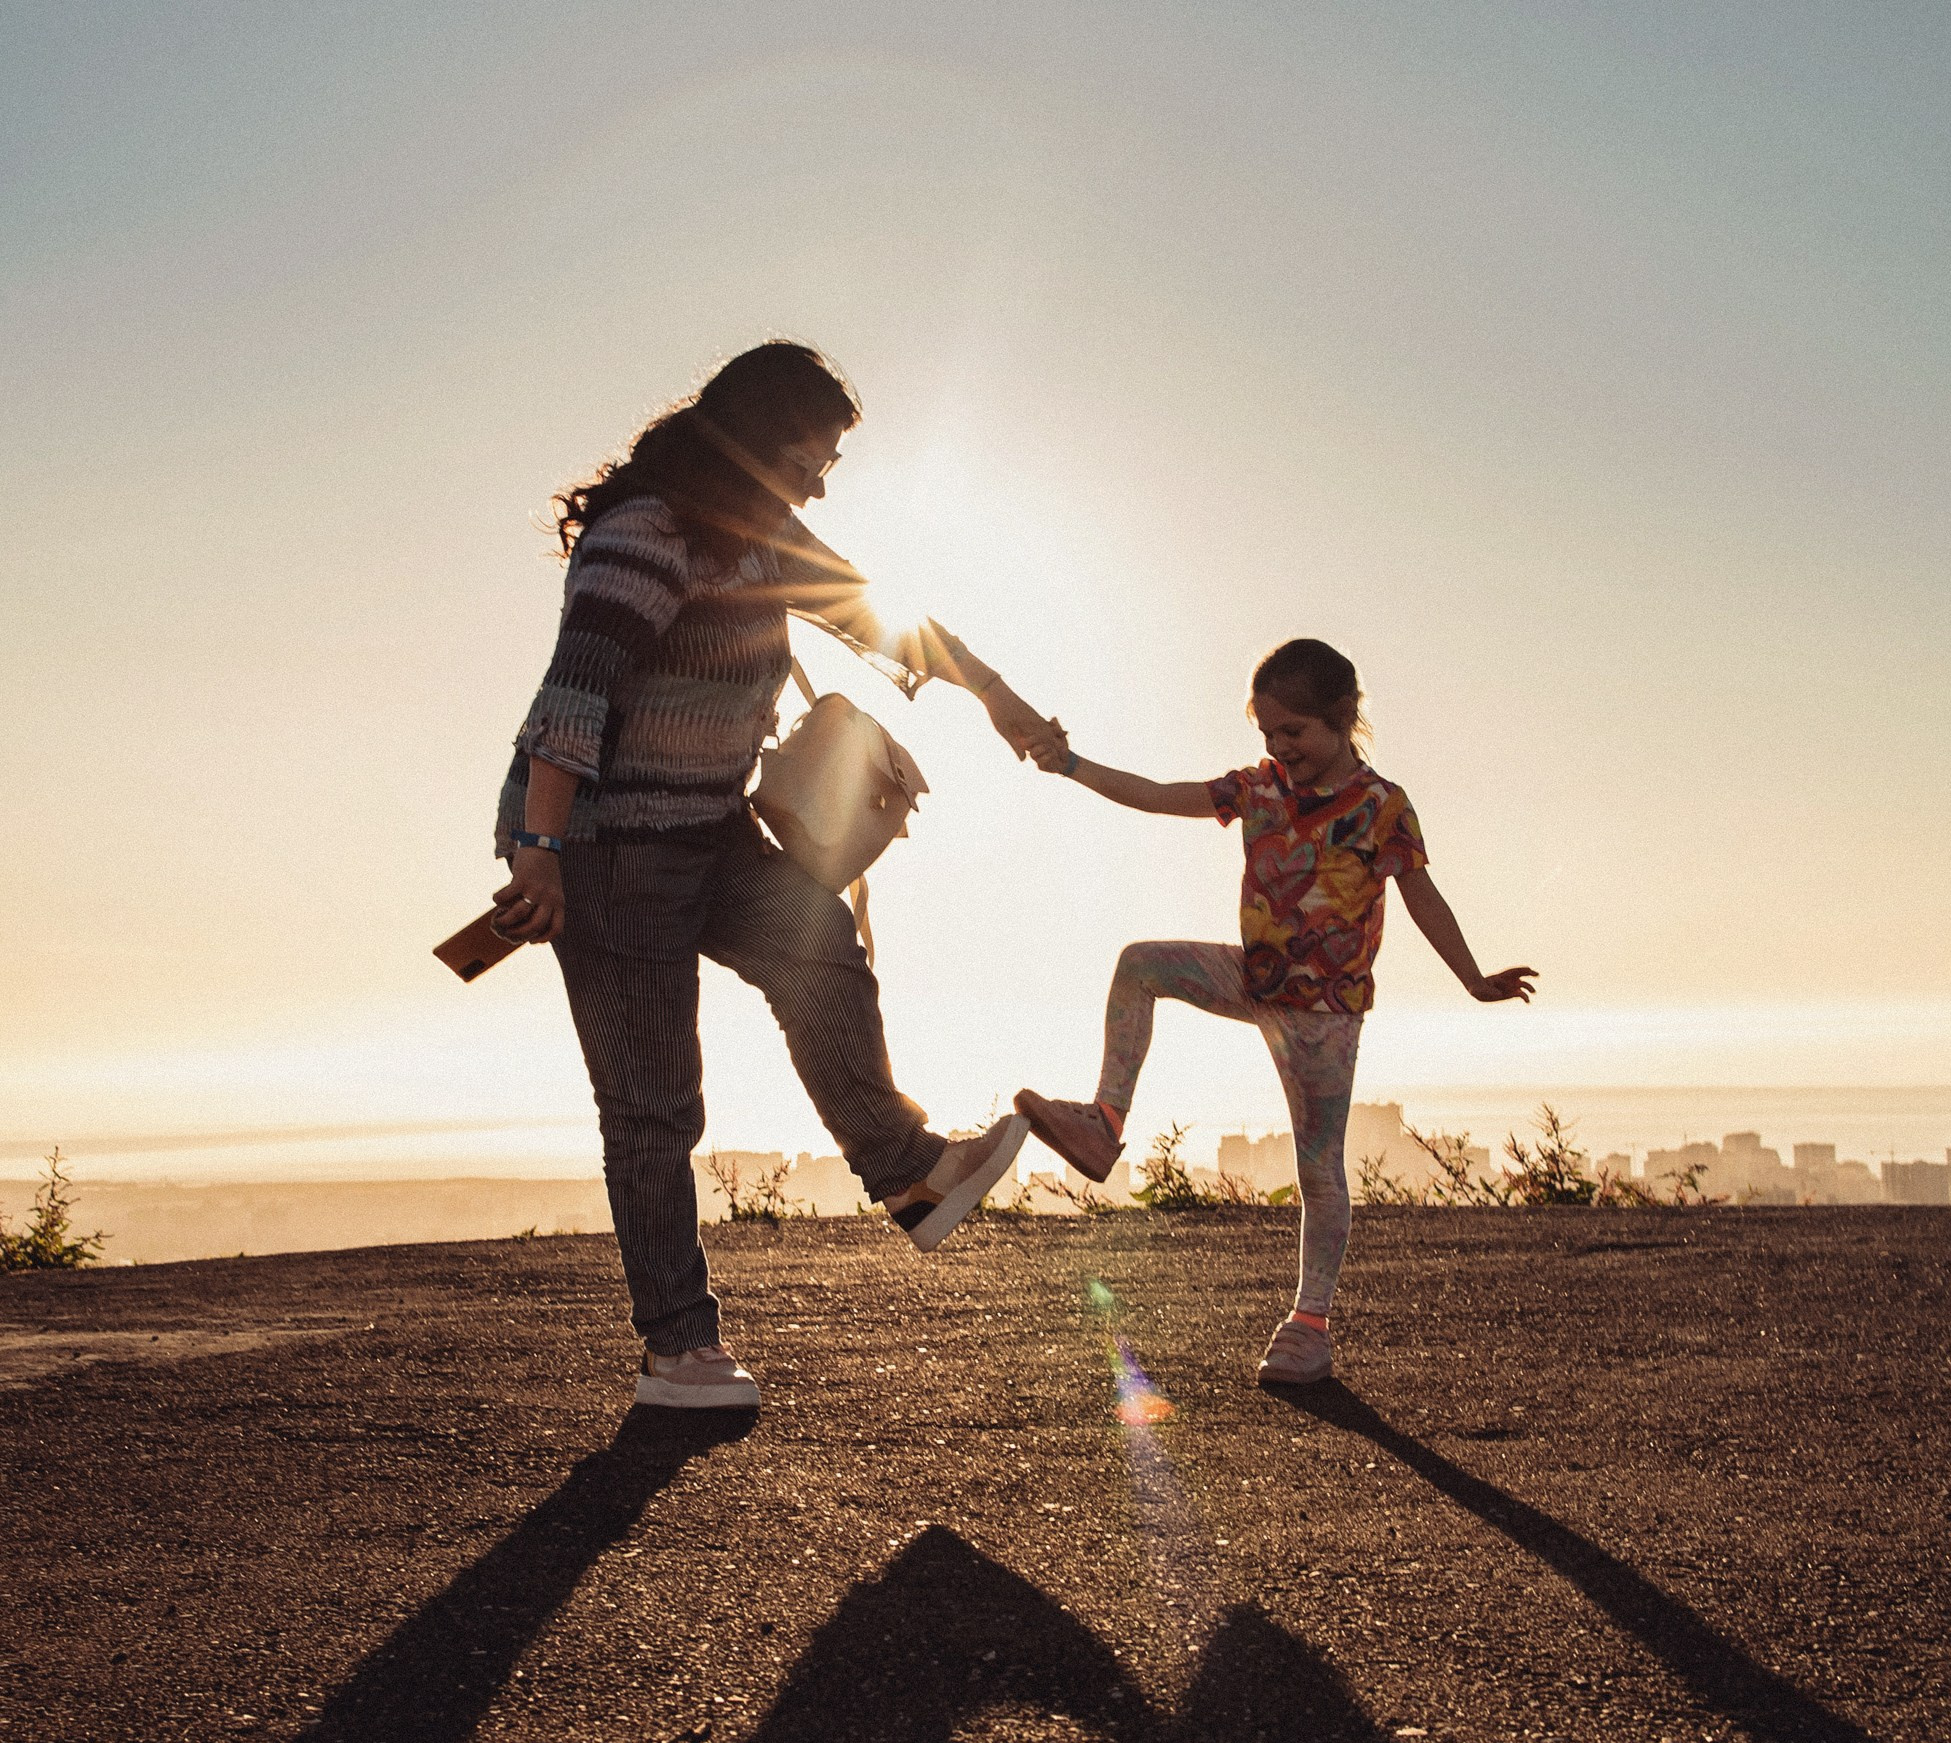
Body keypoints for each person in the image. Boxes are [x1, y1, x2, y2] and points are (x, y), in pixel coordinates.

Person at [491, 340, 1050, 1415]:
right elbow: (572, 703)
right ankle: (676, 1350)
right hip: (608, 853)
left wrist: (995, 696)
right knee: (655, 1105)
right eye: (811, 454)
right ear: (752, 444)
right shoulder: (641, 539)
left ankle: (906, 1173)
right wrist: (541, 855)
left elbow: (879, 615)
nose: (822, 478)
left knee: (822, 954)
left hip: (709, 831)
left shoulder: (761, 540)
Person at [1013, 636, 1536, 1386]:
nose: (1279, 748)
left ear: (1345, 717)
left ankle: (1310, 1326)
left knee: (1318, 1168)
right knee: (1141, 964)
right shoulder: (1256, 789)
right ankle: (1104, 1124)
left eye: (1294, 732)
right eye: (1266, 734)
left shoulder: (1381, 807)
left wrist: (1473, 978)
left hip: (1325, 1014)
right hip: (1255, 980)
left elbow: (1422, 895)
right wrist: (1071, 765)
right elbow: (1160, 795)